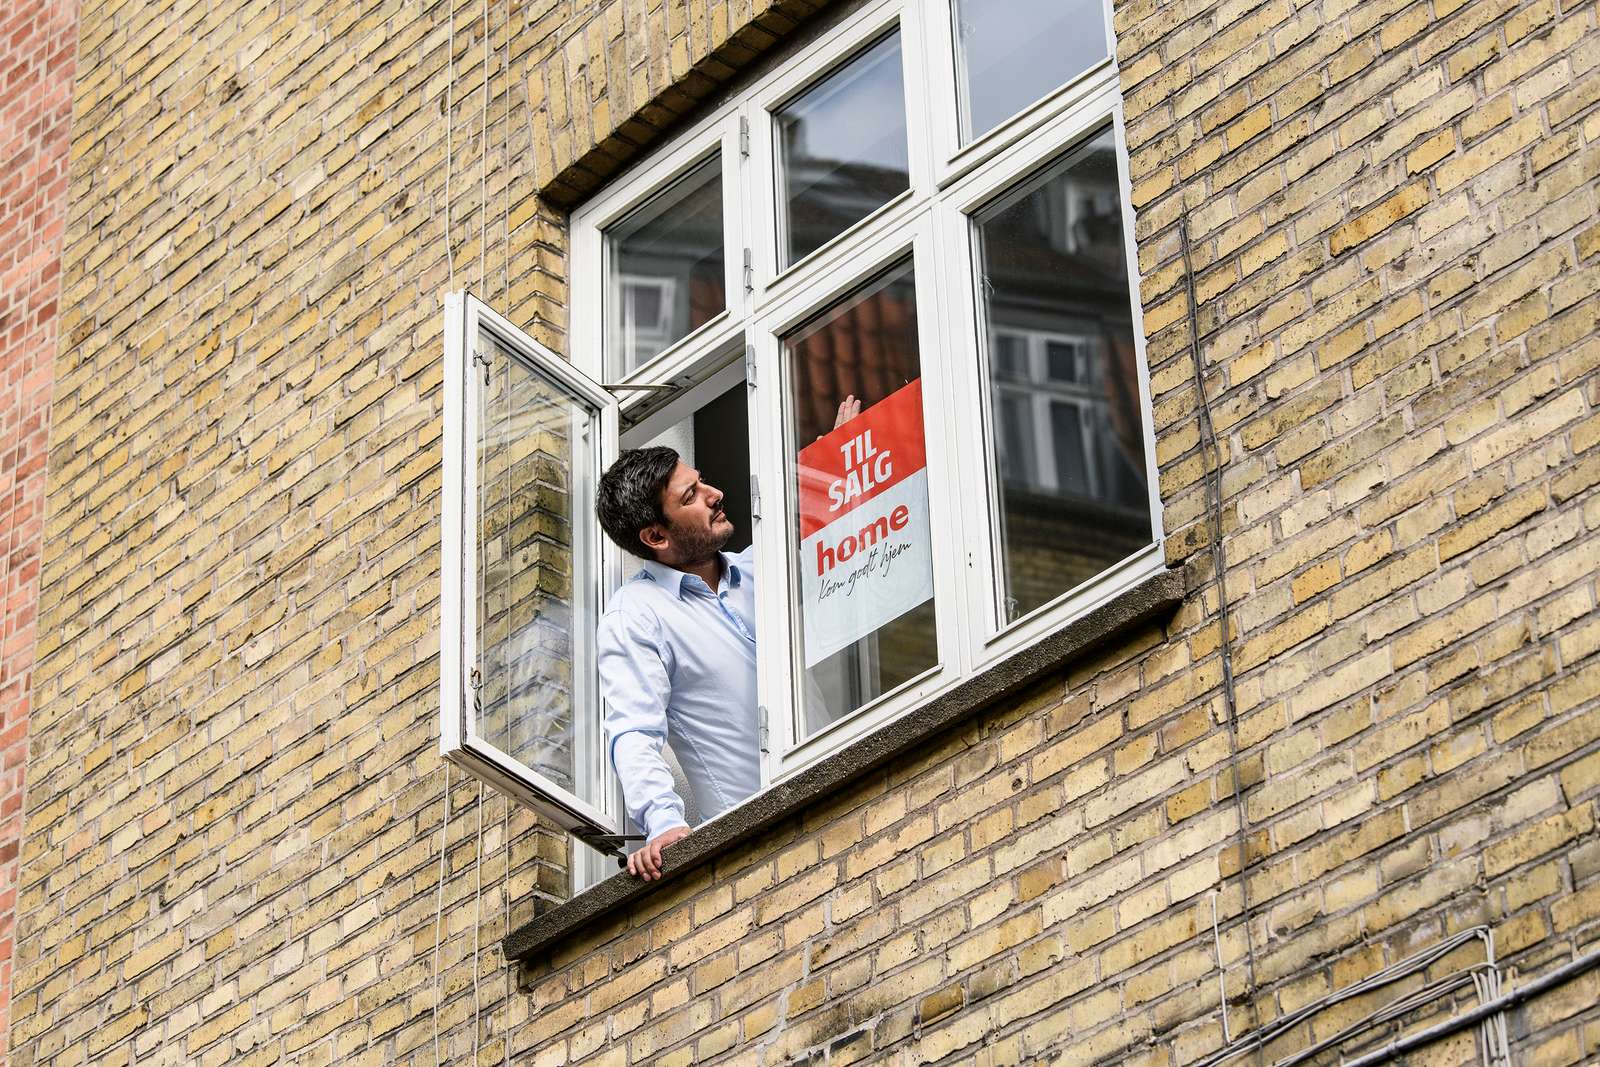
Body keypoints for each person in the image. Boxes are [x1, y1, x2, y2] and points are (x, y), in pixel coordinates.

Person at [595, 399, 860, 881]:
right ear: (655, 536)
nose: (715, 494)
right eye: (691, 496)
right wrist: (664, 823)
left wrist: (840, 456)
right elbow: (633, 733)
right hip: (760, 850)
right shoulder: (637, 615)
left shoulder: (760, 567)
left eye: (702, 482)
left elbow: (815, 522)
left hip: (845, 790)